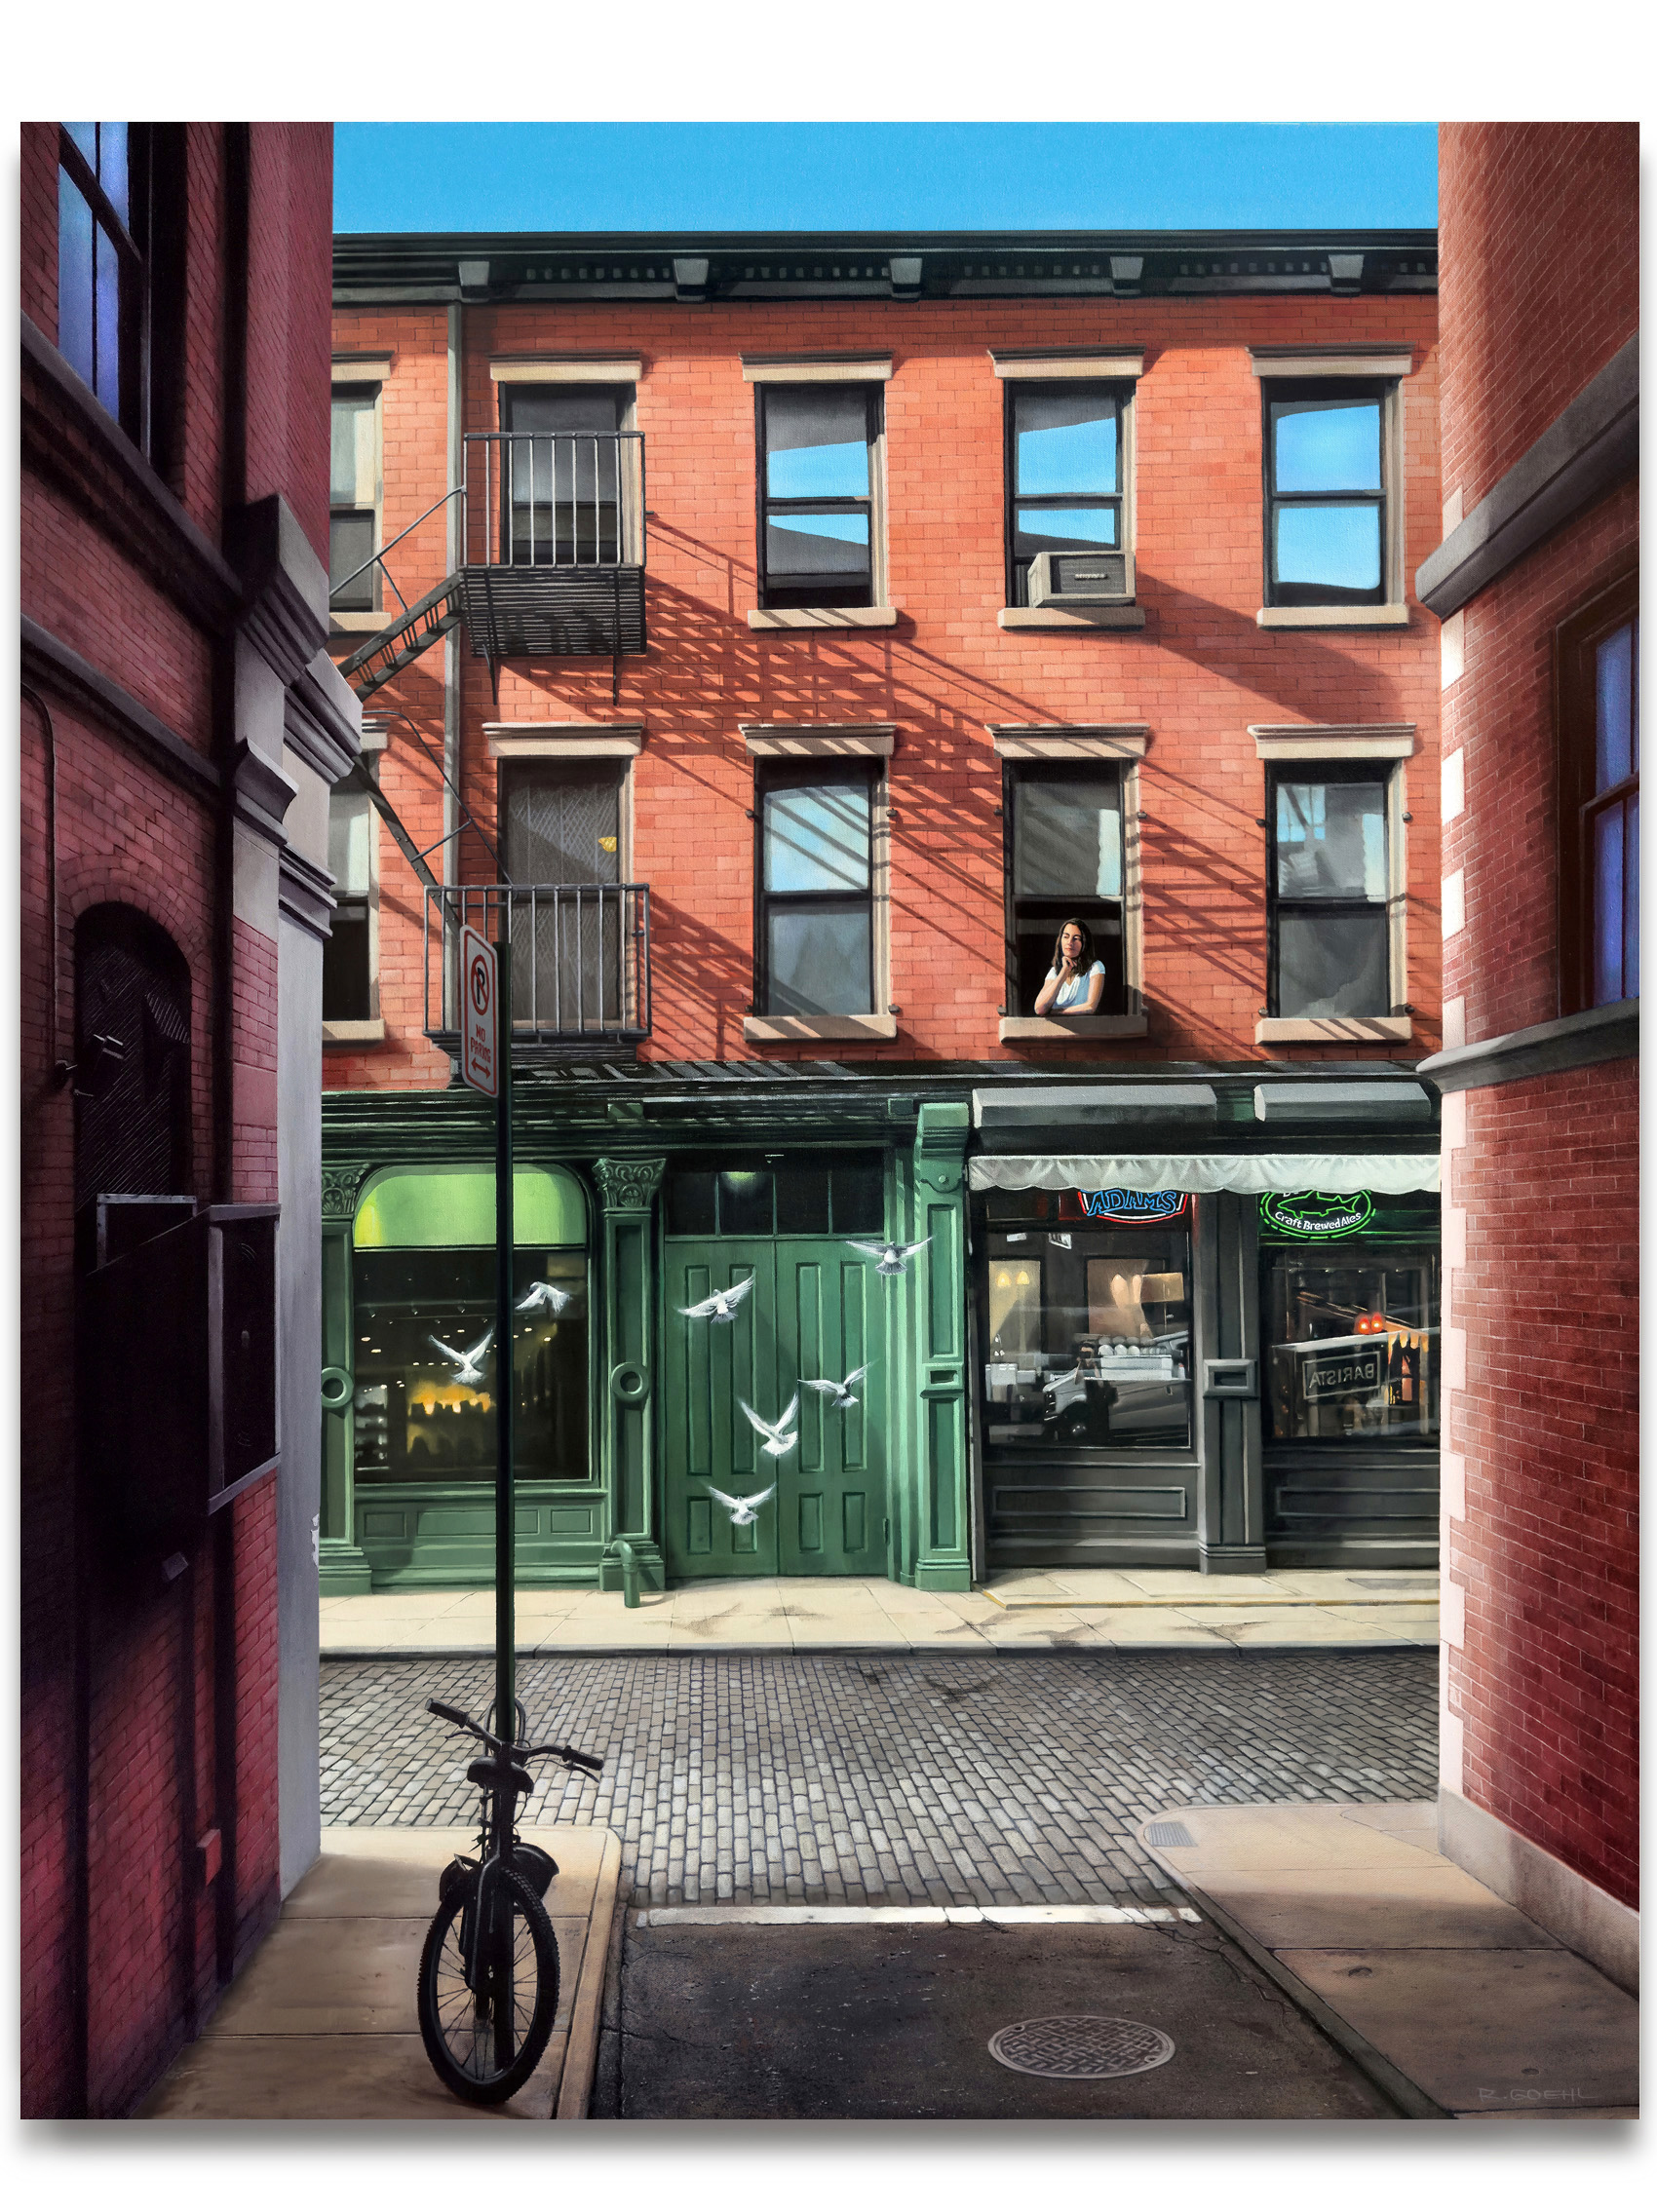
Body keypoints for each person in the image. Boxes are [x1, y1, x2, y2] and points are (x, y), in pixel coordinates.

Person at [1033, 918, 1106, 1014]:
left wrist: (1057, 1012)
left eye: (1076, 938)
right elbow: (1039, 1009)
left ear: (1084, 943)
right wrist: (1064, 972)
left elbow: (1090, 1007)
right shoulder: (1054, 971)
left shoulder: (1095, 967)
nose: (1070, 942)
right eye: (1066, 937)